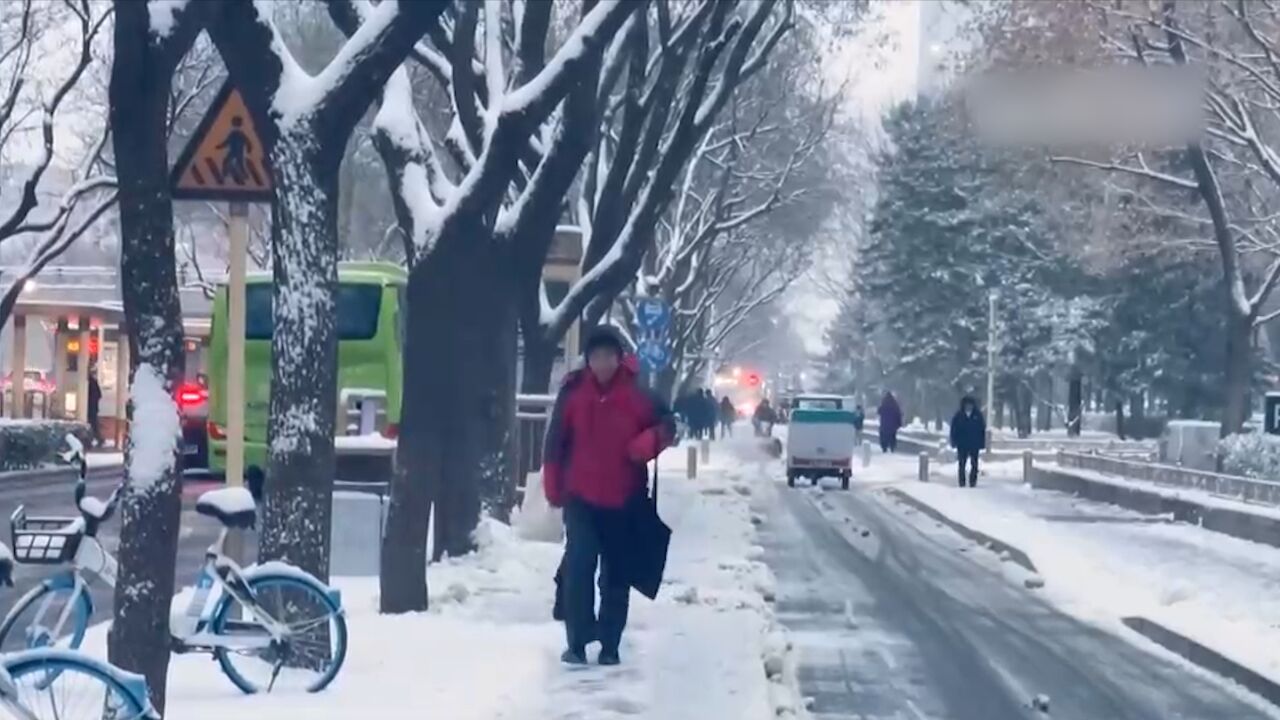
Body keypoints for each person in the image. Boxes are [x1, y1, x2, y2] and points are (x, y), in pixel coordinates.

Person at [543, 326, 675, 666]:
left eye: (608, 356)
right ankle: (577, 641)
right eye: (595, 356)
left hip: (624, 498)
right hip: (581, 497)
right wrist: (553, 481)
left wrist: (648, 443)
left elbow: (669, 425)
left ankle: (610, 644)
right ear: (588, 360)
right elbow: (556, 438)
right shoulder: (573, 391)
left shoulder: (639, 394)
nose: (602, 363)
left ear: (620, 358)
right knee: (579, 567)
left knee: (615, 575)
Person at [949, 395, 986, 487]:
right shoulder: (959, 416)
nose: (969, 406)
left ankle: (973, 482)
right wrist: (954, 441)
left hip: (974, 444)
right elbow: (954, 429)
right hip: (962, 444)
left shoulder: (977, 415)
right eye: (967, 405)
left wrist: (982, 443)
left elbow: (982, 429)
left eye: (970, 405)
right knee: (962, 464)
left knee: (974, 464)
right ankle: (962, 482)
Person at [87, 368, 103, 448]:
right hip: (93, 407)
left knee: (92, 424)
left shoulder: (89, 382)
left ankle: (96, 439)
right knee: (94, 424)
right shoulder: (93, 382)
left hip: (90, 408)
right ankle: (98, 439)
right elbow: (99, 395)